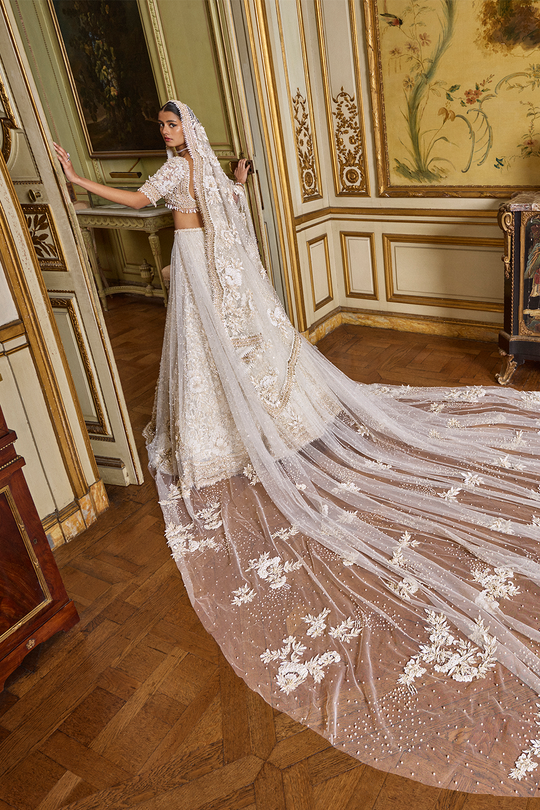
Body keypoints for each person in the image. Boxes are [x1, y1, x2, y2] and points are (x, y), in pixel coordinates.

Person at [55, 101, 540, 797]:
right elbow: (208, 206)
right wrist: (232, 182)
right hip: (194, 264)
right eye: (162, 127)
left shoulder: (185, 172)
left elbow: (143, 202)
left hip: (194, 264)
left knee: (208, 352)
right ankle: (224, 428)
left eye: (171, 126)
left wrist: (79, 180)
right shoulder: (194, 170)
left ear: (186, 129)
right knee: (203, 355)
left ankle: (231, 428)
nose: (166, 134)